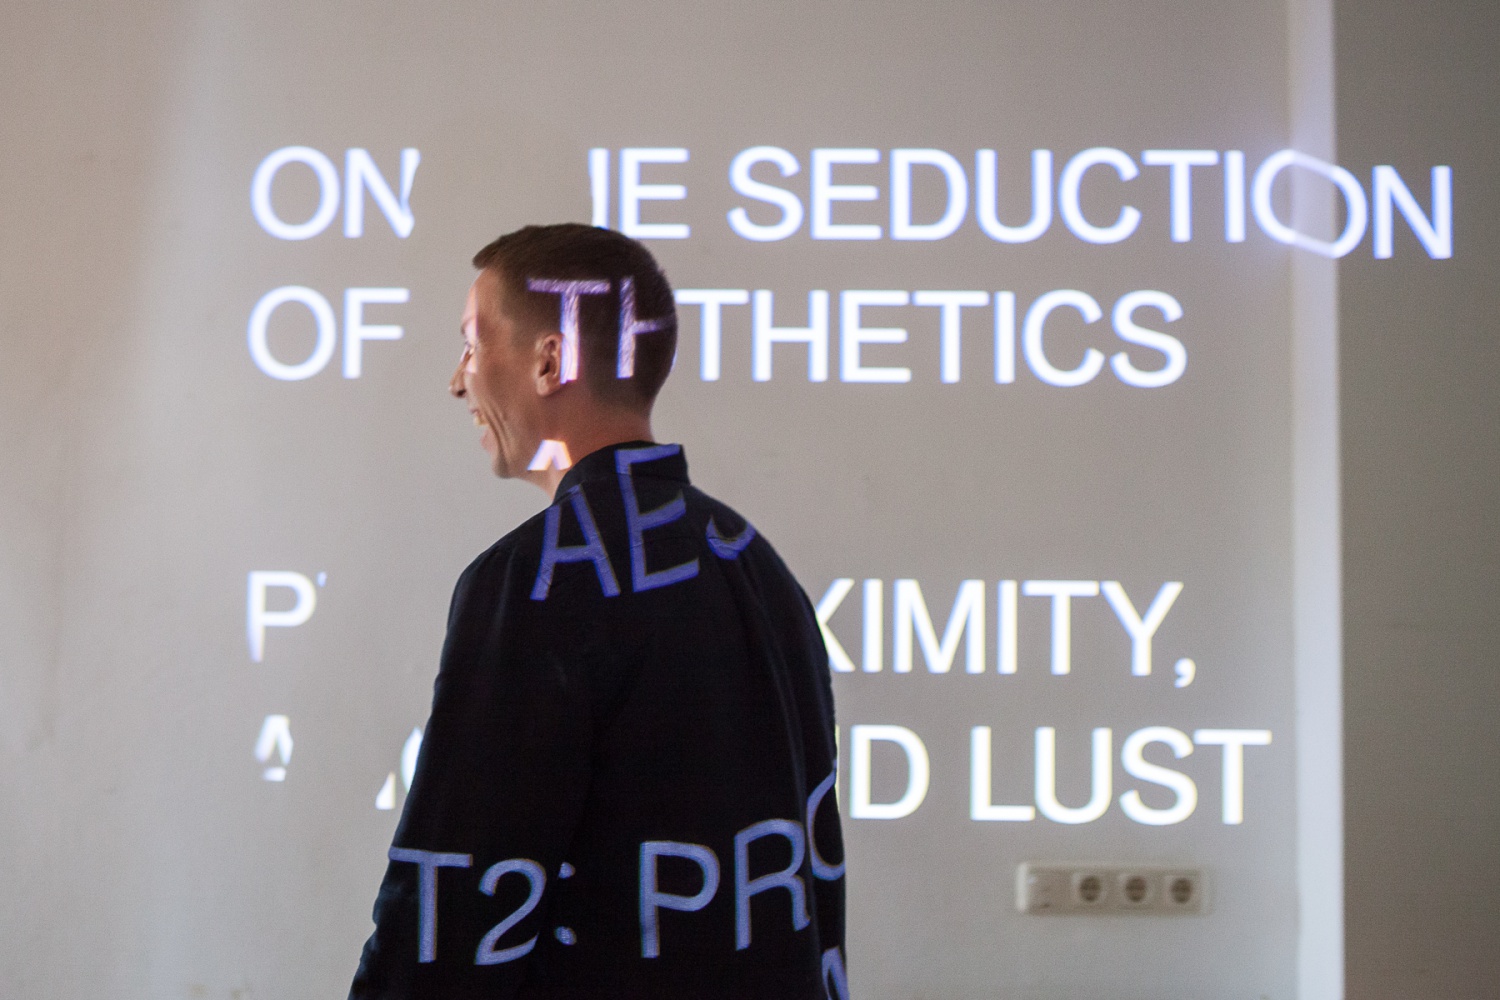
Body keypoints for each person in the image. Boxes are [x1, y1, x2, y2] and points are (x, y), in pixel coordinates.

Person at [349, 224, 847, 1000]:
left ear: (550, 361)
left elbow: (454, 897)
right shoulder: (755, 565)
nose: (458, 382)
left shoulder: (537, 580)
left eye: (473, 347)